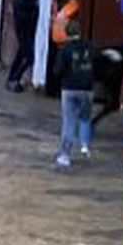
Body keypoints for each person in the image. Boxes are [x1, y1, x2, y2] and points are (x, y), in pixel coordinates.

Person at [54, 21, 94, 166]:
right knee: (85, 118)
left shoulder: (65, 49)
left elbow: (58, 70)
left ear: (66, 33)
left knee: (69, 121)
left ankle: (65, 155)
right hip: (88, 89)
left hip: (70, 88)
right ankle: (85, 146)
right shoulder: (89, 46)